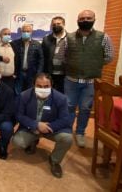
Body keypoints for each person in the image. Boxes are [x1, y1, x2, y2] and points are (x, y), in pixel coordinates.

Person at [64, 10, 114, 147]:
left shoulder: (103, 37)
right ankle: (66, 131)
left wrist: (93, 63)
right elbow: (64, 55)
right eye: (82, 18)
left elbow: (109, 56)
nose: (85, 20)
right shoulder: (69, 37)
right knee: (68, 107)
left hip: (90, 82)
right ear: (77, 20)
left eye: (88, 18)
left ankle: (80, 132)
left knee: (85, 108)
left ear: (94, 19)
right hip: (71, 80)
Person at [13, 73, 72, 178]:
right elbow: (19, 115)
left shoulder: (61, 98)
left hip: (52, 128)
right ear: (34, 85)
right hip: (31, 128)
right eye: (39, 86)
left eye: (46, 86)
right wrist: (35, 125)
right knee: (17, 142)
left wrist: (48, 127)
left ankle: (54, 161)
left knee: (67, 139)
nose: (43, 89)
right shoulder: (24, 96)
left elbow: (66, 119)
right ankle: (33, 141)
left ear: (51, 86)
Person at [12, 23, 44, 94]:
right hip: (18, 73)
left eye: (28, 31)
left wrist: (38, 74)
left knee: (30, 93)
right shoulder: (15, 43)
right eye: (24, 31)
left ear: (31, 32)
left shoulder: (37, 44)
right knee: (18, 93)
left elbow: (41, 60)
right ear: (21, 32)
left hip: (32, 73)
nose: (26, 33)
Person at [42, 17, 67, 93]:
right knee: (48, 94)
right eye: (54, 24)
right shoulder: (46, 39)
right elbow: (43, 57)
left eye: (58, 24)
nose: (56, 25)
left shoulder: (70, 38)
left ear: (64, 24)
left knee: (62, 95)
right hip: (50, 74)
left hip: (65, 75)